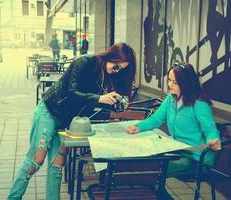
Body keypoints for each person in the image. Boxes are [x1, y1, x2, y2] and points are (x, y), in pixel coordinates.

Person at [7, 42, 137, 200]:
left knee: (57, 167)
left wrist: (115, 105)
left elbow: (92, 106)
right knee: (36, 160)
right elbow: (71, 92)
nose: (116, 71)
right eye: (116, 66)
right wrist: (99, 98)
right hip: (50, 110)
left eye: (121, 70)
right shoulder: (84, 62)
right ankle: (13, 197)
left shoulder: (108, 79)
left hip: (69, 122)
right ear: (110, 56)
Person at [127, 62, 221, 178]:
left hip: (195, 159)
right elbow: (157, 119)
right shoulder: (171, 98)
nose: (170, 85)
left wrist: (213, 140)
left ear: (186, 84)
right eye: (169, 80)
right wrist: (139, 126)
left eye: (175, 82)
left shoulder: (199, 103)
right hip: (176, 150)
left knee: (154, 170)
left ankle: (159, 195)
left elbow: (210, 130)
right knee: (145, 162)